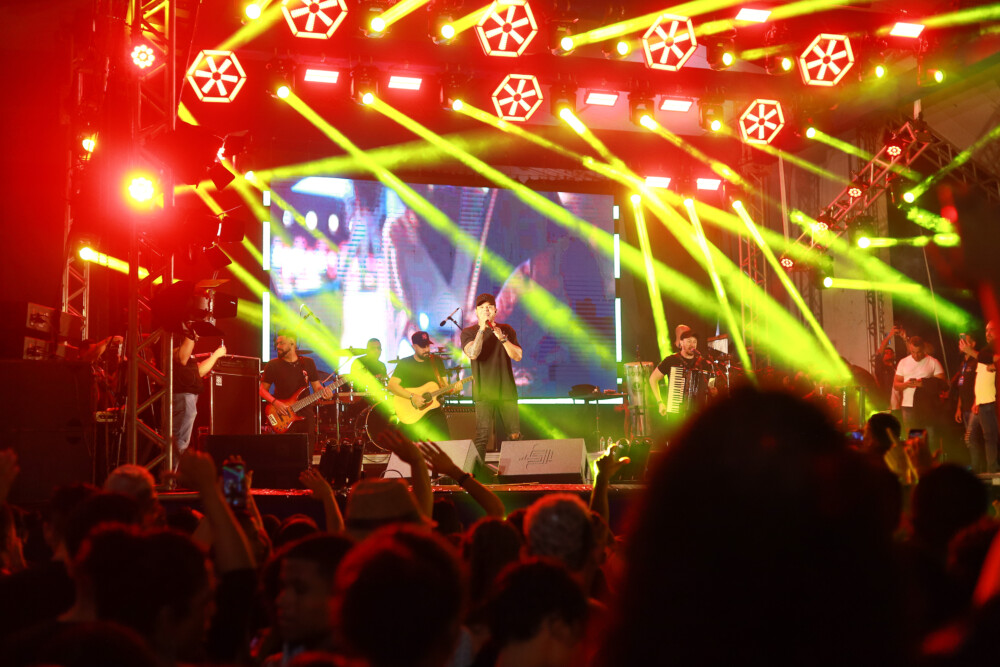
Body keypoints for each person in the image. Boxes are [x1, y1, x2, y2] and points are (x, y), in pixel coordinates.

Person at [462, 293, 523, 462]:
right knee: (482, 437)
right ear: (476, 311)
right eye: (482, 307)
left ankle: (516, 471)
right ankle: (478, 473)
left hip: (506, 390)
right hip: (484, 391)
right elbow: (473, 353)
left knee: (514, 435)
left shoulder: (506, 329)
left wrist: (502, 339)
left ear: (495, 310)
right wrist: (482, 330)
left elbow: (518, 356)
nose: (486, 310)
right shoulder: (469, 332)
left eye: (489, 307)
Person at [259, 331, 333, 451]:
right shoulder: (273, 365)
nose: (278, 346)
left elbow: (317, 387)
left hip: (306, 417)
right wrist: (275, 403)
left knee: (306, 454)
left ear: (292, 343)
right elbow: (262, 390)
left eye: (281, 343)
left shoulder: (308, 363)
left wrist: (326, 393)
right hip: (283, 416)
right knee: (286, 454)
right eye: (277, 344)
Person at [386, 332, 461, 442]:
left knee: (445, 443)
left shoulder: (436, 361)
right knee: (413, 449)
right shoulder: (405, 363)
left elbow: (444, 387)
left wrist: (454, 389)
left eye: (427, 345)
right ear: (414, 346)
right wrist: (413, 397)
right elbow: (392, 386)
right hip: (412, 413)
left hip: (434, 411)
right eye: (422, 347)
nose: (426, 349)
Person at [172, 331, 226, 460]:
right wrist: (192, 334)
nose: (197, 338)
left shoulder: (185, 350)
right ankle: (171, 471)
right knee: (179, 441)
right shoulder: (175, 341)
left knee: (182, 441)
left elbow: (199, 372)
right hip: (182, 395)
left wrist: (216, 355)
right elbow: (182, 358)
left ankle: (175, 470)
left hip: (188, 396)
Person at [960, 320, 1000, 473]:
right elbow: (982, 377)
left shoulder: (993, 350)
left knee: (992, 436)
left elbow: (994, 360)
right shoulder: (985, 352)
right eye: (986, 330)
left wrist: (971, 351)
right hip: (983, 401)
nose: (988, 333)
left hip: (994, 401)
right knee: (988, 437)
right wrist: (976, 400)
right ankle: (992, 469)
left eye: (992, 330)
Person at [648, 329, 713, 419]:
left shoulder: (703, 363)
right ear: (681, 343)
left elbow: (710, 386)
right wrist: (660, 403)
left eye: (694, 342)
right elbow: (653, 379)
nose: (692, 344)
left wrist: (713, 392)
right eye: (689, 341)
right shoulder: (671, 360)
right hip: (677, 413)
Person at [893, 335, 946, 434]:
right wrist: (907, 384)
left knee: (929, 436)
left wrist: (923, 383)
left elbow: (943, 384)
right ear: (910, 348)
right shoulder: (903, 362)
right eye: (913, 352)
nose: (916, 356)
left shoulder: (933, 362)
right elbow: (896, 385)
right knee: (912, 436)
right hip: (908, 406)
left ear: (923, 348)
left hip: (927, 406)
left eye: (919, 352)